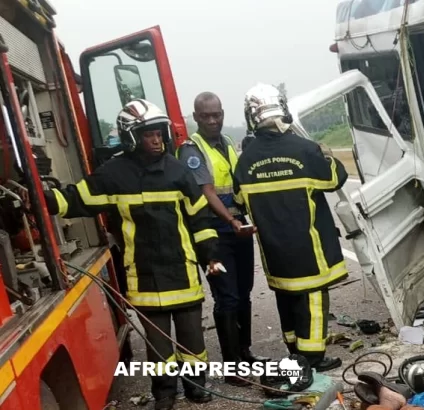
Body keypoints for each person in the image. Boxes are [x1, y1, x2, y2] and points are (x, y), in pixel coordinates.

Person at [43, 100, 220, 410]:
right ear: (130, 137)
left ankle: (196, 387)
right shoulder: (114, 174)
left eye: (159, 133)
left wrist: (211, 256)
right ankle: (165, 394)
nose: (156, 140)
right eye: (148, 134)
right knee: (158, 345)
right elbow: (77, 199)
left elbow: (199, 219)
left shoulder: (178, 170)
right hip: (144, 274)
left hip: (182, 271)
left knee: (192, 337)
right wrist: (40, 198)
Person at [232, 83, 346, 372]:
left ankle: (294, 351)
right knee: (313, 300)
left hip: (275, 252)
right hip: (309, 247)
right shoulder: (304, 150)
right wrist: (328, 155)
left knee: (287, 299)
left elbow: (239, 201)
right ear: (282, 109)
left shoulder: (245, 161)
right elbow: (335, 179)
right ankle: (314, 359)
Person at [176, 92, 263, 387]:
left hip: (238, 228)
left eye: (217, 115)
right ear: (196, 118)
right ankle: (232, 367)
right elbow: (207, 191)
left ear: (223, 113)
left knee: (244, 291)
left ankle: (243, 351)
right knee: (227, 296)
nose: (213, 120)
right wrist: (231, 220)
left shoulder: (227, 143)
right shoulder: (191, 149)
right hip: (213, 233)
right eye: (206, 116)